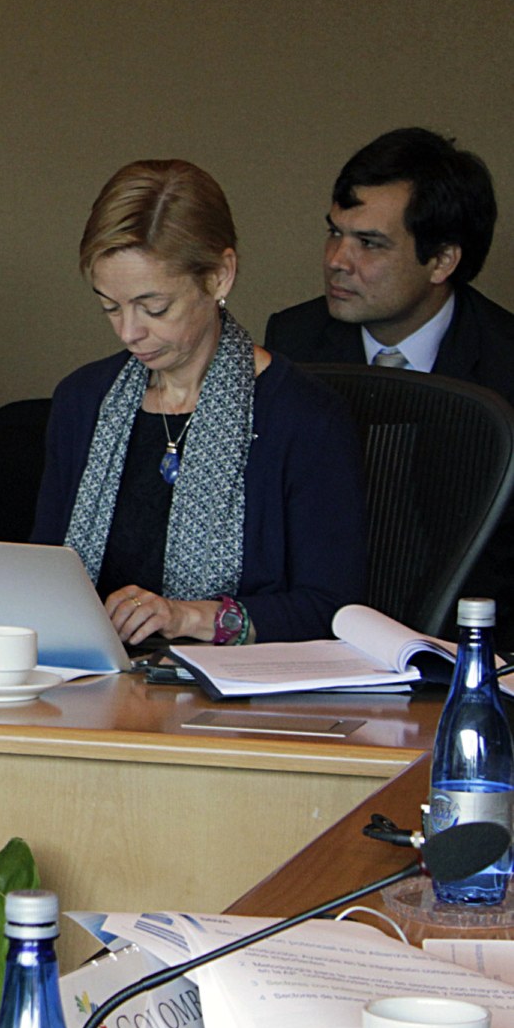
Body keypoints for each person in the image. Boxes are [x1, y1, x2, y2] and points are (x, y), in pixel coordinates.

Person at [35, 159, 367, 646]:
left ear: (219, 276)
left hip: (234, 704)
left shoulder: (304, 419)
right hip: (92, 684)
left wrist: (188, 617)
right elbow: (42, 577)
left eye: (155, 307)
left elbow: (332, 611)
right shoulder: (84, 402)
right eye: (109, 305)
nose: (129, 332)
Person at [265, 127, 513, 616]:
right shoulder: (293, 341)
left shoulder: (505, 362)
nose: (337, 261)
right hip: (316, 635)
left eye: (369, 244)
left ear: (441, 260)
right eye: (334, 232)